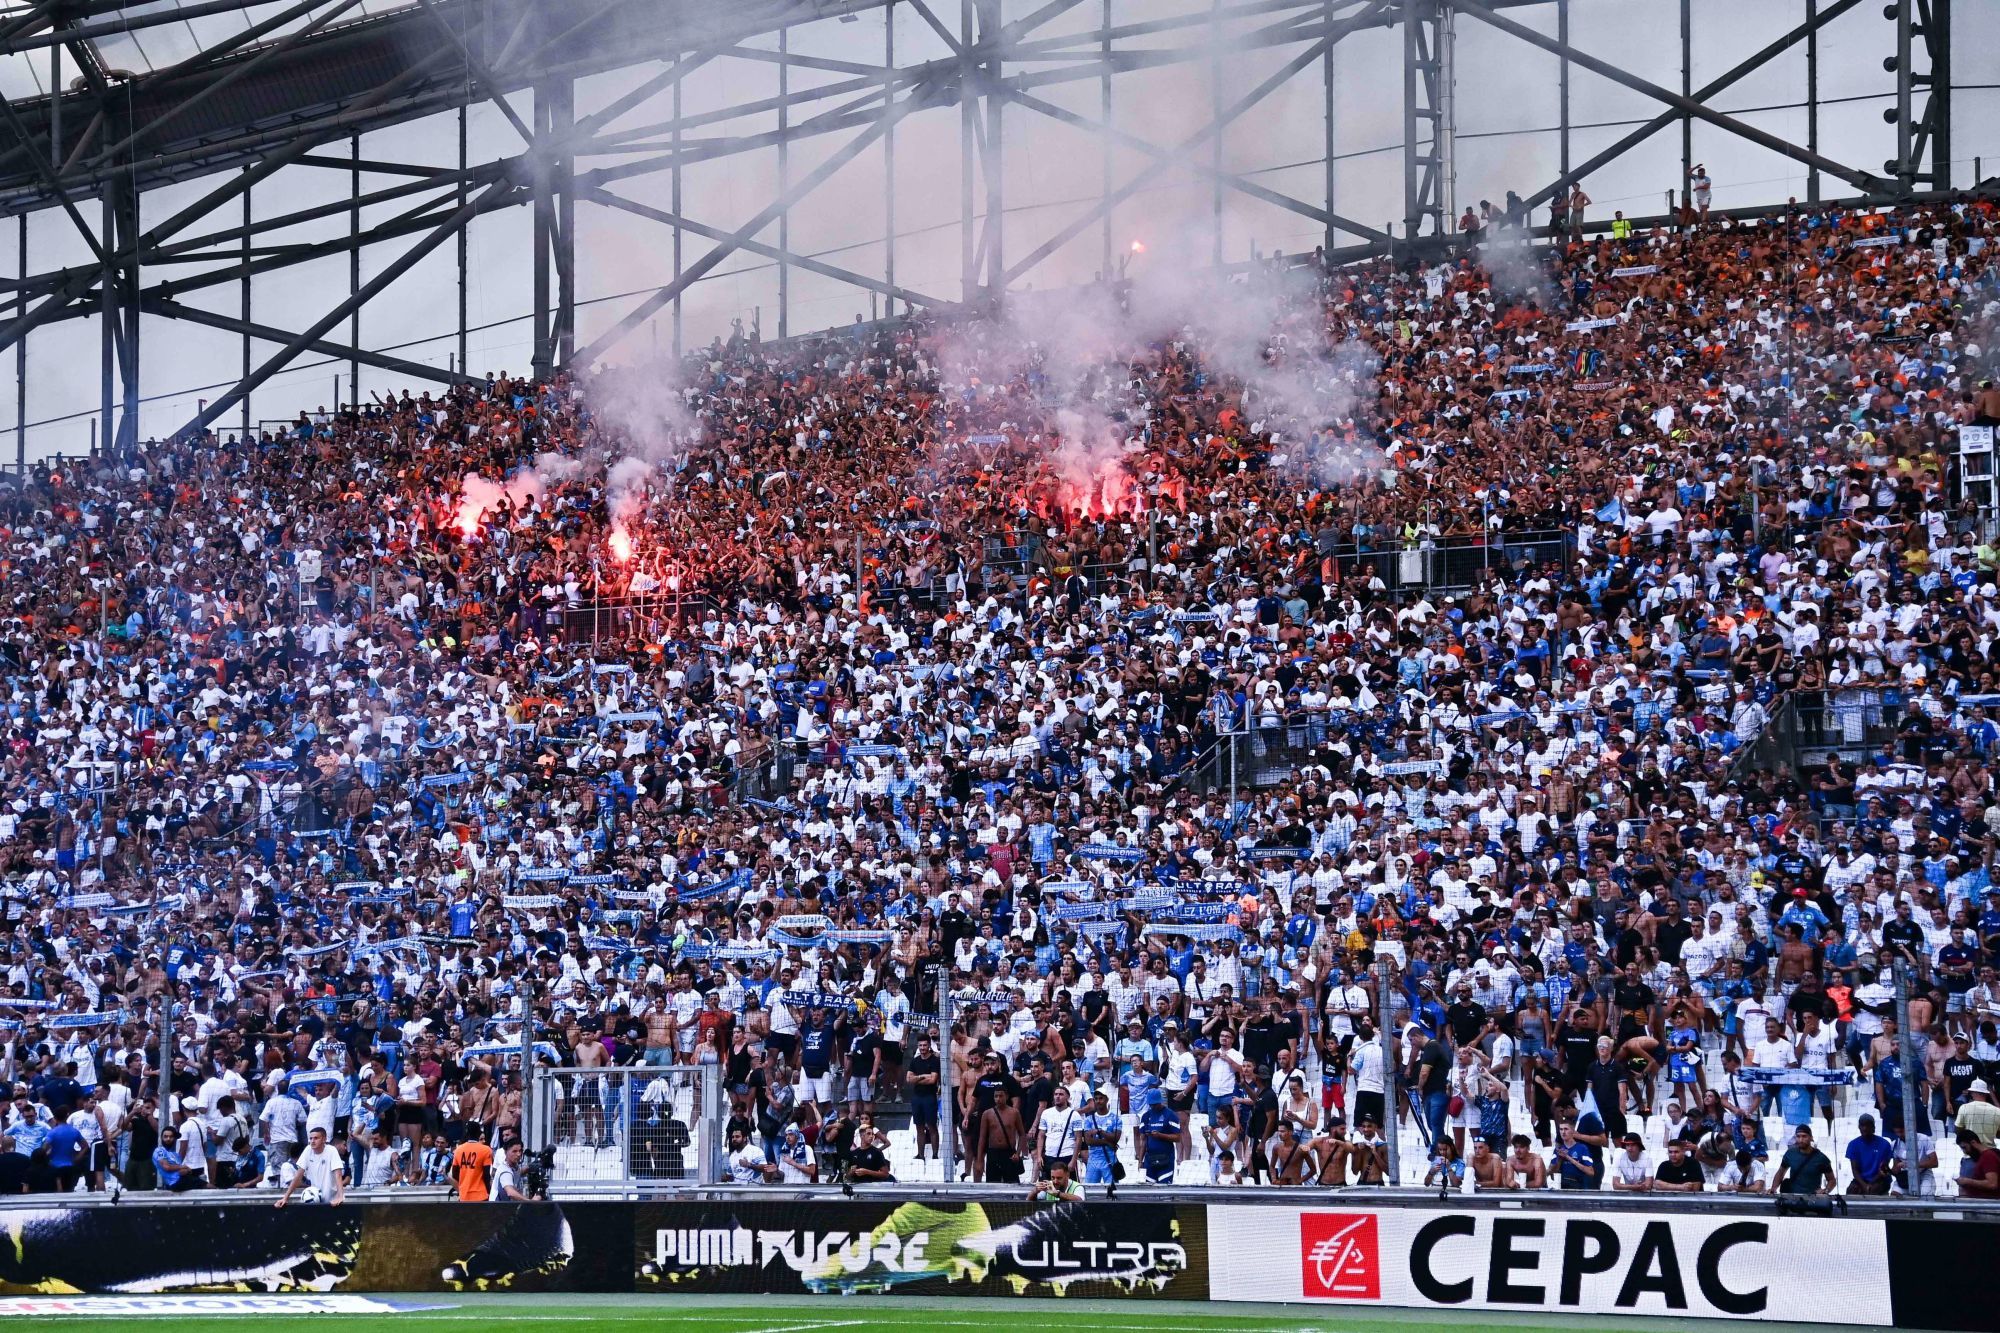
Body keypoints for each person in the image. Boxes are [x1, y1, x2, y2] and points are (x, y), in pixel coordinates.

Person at [276, 1125, 346, 1207]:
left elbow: (338, 1175)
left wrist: (340, 1196)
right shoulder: (308, 1150)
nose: (312, 1141)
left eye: (316, 1138)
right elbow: (298, 1176)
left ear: (324, 1139)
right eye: (311, 1138)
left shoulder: (332, 1150)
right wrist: (285, 1198)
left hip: (333, 1201)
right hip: (315, 1199)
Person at [1772, 1125, 1835, 1196]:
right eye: (1798, 1136)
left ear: (1811, 1138)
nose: (1801, 1140)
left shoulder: (1821, 1158)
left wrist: (1826, 1190)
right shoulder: (1790, 1154)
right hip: (1792, 1197)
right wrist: (1773, 1189)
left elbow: (1832, 1180)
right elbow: (1780, 1173)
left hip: (1812, 1198)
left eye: (1804, 1136)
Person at [1845, 1113, 1895, 1195]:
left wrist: (1871, 1184)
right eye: (1862, 1125)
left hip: (1880, 1178)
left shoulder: (1884, 1144)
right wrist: (1864, 1185)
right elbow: (1855, 1170)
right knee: (1851, 1190)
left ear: (1873, 1127)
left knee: (1873, 1191)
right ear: (1859, 1127)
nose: (1865, 1128)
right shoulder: (1853, 1144)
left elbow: (1884, 1169)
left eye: (1868, 1125)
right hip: (1862, 1180)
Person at [451, 1134, 493, 1201]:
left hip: (464, 1195)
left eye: (484, 1139)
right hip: (481, 1195)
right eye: (481, 1139)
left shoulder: (458, 1150)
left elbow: (454, 1174)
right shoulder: (486, 1150)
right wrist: (489, 1192)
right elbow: (487, 1175)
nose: (484, 1141)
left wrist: (464, 1183)